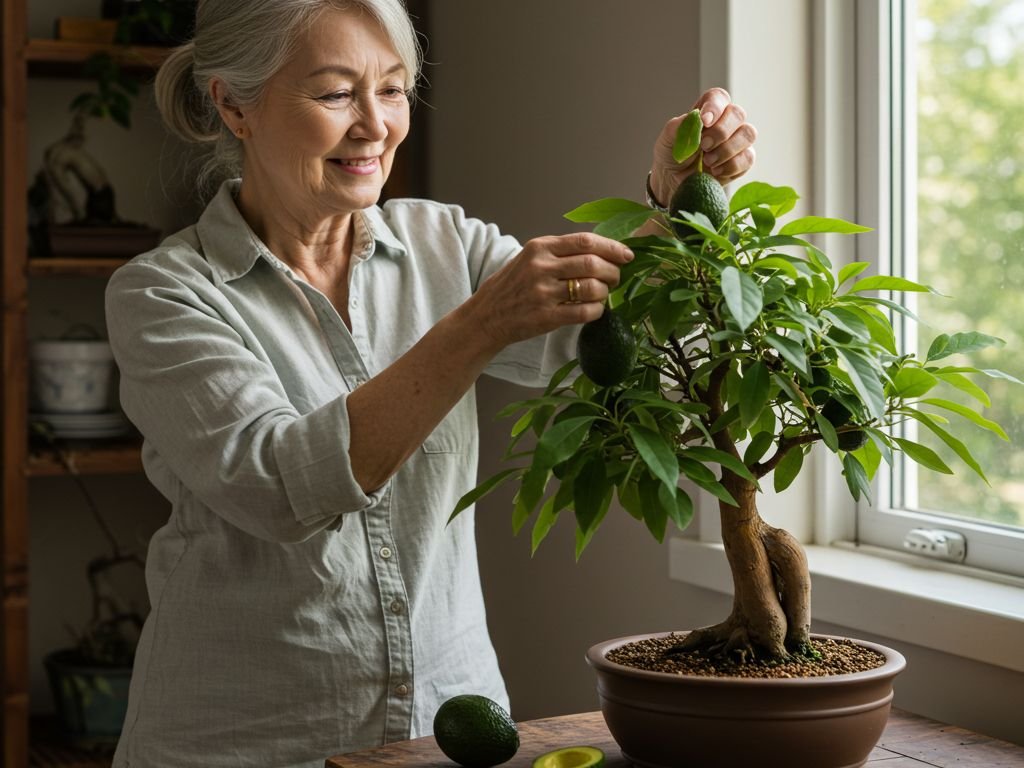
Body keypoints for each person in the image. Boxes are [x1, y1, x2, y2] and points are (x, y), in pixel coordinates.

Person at [103, 1, 757, 765]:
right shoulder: (163, 295)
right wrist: (477, 326)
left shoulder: (447, 242)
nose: (375, 124)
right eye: (336, 93)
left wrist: (675, 202)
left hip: (448, 733)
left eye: (392, 89)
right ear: (233, 104)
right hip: (245, 741)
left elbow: (626, 358)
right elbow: (280, 488)